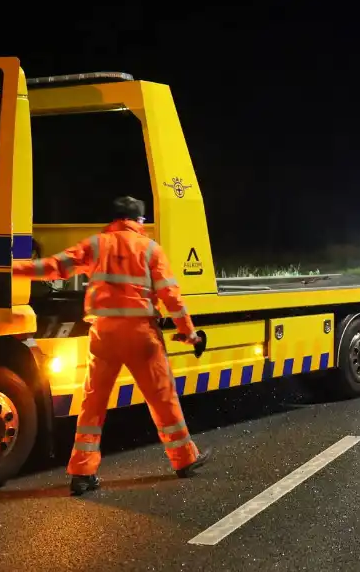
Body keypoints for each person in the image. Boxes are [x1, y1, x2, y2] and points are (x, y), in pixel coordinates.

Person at [14, 196, 213, 495]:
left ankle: (82, 473)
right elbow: (171, 296)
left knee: (92, 404)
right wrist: (190, 332)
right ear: (139, 221)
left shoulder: (96, 244)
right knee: (162, 399)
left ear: (116, 218)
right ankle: (184, 459)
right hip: (141, 334)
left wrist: (11, 269)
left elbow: (54, 267)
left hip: (104, 333)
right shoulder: (150, 250)